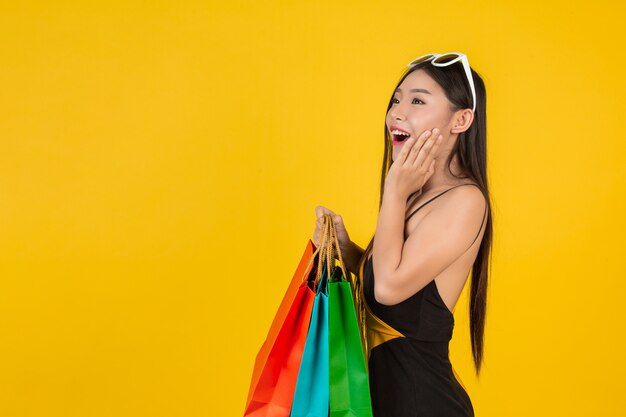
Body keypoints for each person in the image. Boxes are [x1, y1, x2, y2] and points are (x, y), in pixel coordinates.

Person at [312, 52, 491, 416]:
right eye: (396, 99)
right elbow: (401, 286)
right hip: (386, 402)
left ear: (461, 119)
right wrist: (348, 251)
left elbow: (389, 290)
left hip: (424, 403)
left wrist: (395, 189)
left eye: (418, 100)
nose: (397, 112)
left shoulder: (465, 201)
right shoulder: (419, 194)